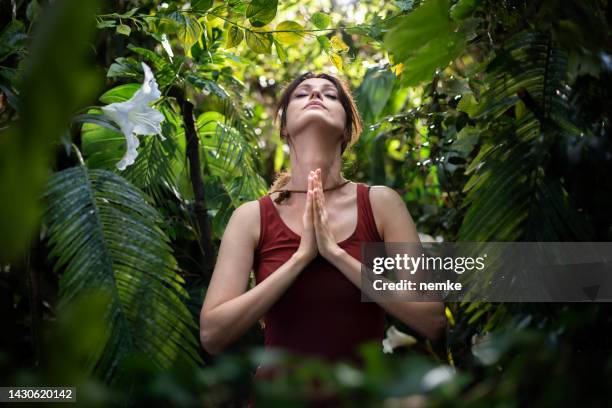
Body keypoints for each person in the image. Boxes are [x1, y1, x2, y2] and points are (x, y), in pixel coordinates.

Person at [199, 72, 447, 405]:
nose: (316, 95)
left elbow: (431, 319)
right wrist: (301, 257)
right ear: (285, 126)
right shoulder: (251, 217)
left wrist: (335, 254)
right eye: (302, 94)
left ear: (346, 129)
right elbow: (212, 334)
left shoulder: (380, 204)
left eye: (330, 95)